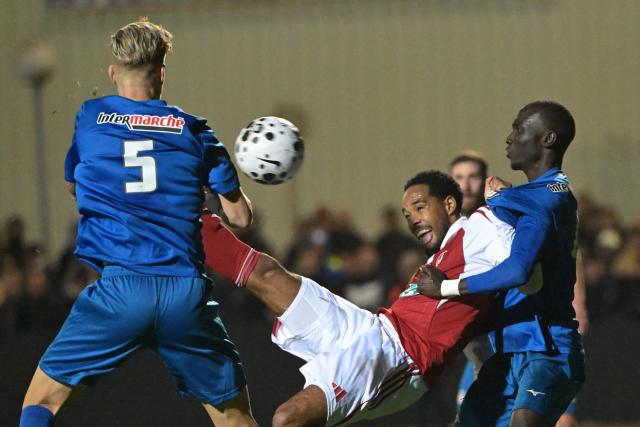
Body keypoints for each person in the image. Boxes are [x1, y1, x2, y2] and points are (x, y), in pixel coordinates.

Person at [19, 19, 257, 427]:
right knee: (233, 416)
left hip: (119, 293)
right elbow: (240, 218)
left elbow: (74, 186)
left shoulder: (91, 119)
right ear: (162, 73)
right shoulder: (196, 131)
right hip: (184, 294)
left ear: (112, 73)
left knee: (43, 400)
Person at [201, 170, 516, 426]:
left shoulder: (482, 227)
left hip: (402, 357)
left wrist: (512, 200)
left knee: (288, 418)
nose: (414, 220)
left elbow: (524, 257)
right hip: (371, 327)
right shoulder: (441, 254)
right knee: (268, 273)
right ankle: (187, 219)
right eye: (408, 214)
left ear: (449, 205)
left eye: (420, 208)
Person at [419, 101, 585, 426]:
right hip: (508, 349)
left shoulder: (548, 200)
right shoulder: (538, 195)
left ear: (547, 139)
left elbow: (516, 270)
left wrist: (443, 288)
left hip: (546, 347)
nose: (509, 138)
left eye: (519, 129)